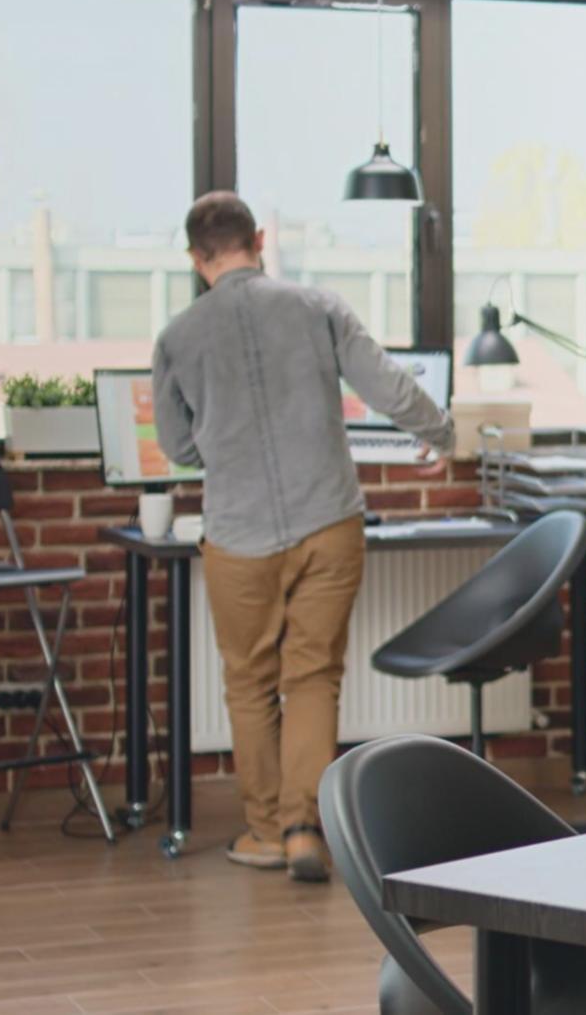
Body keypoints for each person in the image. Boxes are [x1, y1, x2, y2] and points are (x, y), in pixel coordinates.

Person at [152, 191, 453, 882]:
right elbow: (388, 385)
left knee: (250, 683)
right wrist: (441, 431)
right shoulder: (318, 307)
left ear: (197, 258)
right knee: (313, 674)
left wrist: (221, 444)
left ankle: (264, 831)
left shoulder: (176, 337)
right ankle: (302, 829)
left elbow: (177, 446)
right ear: (258, 238)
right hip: (328, 520)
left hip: (238, 533)